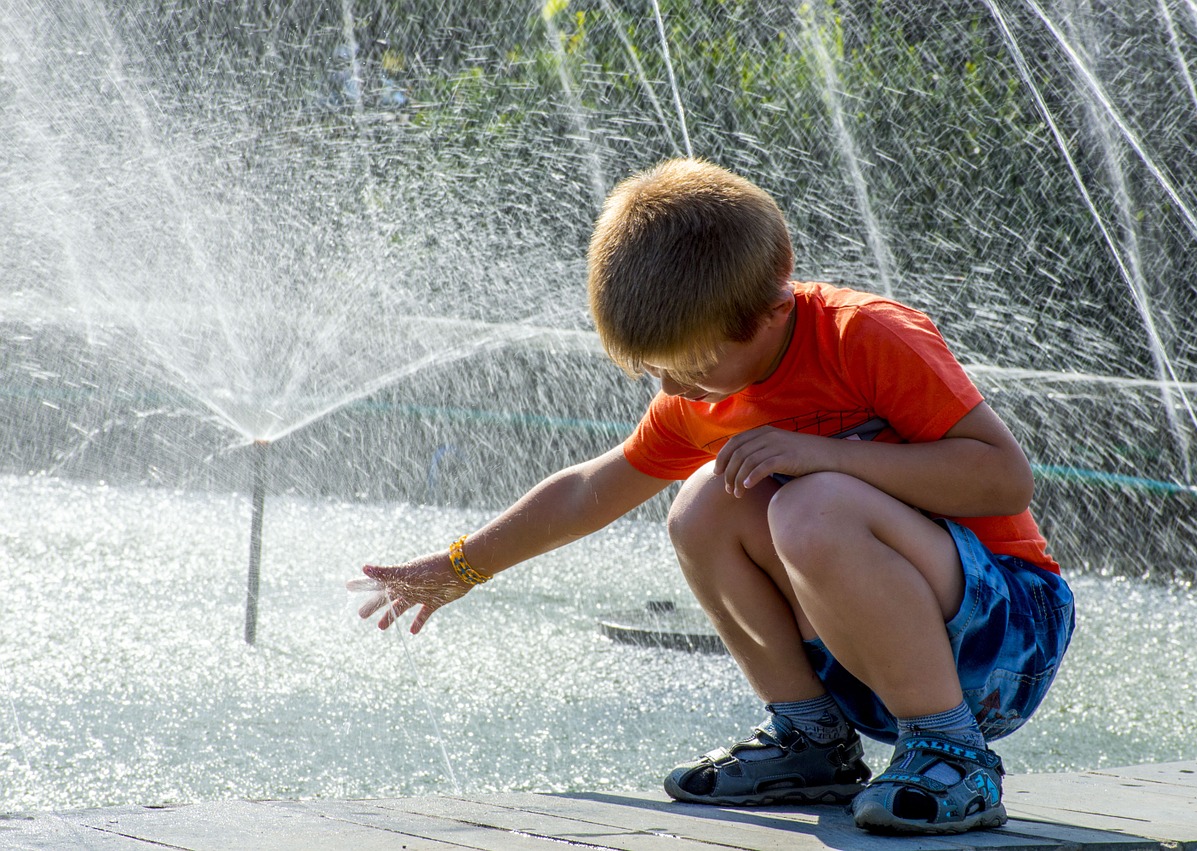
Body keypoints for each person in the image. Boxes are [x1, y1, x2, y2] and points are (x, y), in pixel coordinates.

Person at [350, 158, 1075, 835]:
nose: (673, 390)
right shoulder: (703, 399)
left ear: (772, 301)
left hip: (1005, 633)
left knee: (808, 504)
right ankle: (812, 738)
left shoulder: (864, 337)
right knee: (702, 504)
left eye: (690, 366)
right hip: (870, 658)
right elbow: (587, 492)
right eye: (658, 371)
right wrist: (460, 565)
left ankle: (957, 756)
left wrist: (820, 454)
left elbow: (1003, 476)